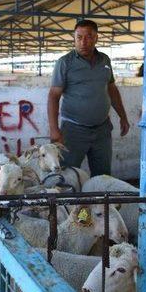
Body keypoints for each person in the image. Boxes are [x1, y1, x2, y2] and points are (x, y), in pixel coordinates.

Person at [48, 19, 130, 177]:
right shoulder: (65, 63)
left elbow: (111, 89)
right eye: (79, 37)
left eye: (89, 37)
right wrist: (54, 129)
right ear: (74, 38)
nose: (83, 42)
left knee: (103, 175)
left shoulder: (105, 60)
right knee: (68, 174)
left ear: (96, 38)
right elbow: (53, 96)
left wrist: (123, 116)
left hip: (102, 129)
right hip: (73, 130)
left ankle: (99, 202)